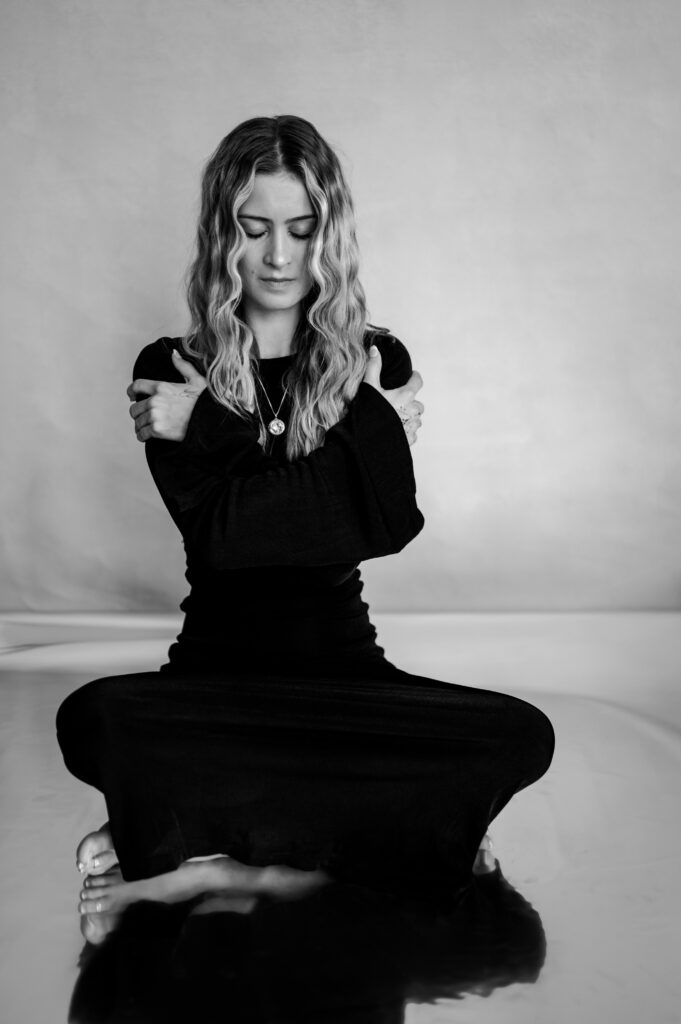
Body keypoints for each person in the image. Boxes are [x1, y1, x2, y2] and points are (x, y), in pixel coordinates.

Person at [56, 115, 555, 946]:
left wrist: (211, 432)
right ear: (223, 234)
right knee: (94, 718)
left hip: (348, 684)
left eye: (301, 230)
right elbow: (228, 538)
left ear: (330, 236)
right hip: (212, 685)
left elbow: (383, 525)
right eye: (254, 230)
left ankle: (226, 861)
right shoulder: (169, 368)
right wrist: (360, 445)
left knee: (519, 735)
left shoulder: (372, 362)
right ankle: (370, 835)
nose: (279, 257)